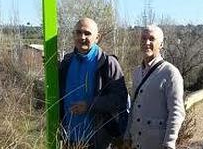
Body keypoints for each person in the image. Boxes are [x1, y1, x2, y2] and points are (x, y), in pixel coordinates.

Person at [59, 17, 129, 149]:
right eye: (78, 32)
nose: (82, 37)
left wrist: (89, 105)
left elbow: (120, 100)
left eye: (87, 33)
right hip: (69, 139)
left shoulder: (107, 63)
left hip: (97, 141)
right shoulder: (66, 62)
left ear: (97, 37)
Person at [125, 25, 185, 149]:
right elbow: (134, 107)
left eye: (152, 39)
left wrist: (169, 143)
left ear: (161, 44)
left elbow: (176, 112)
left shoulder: (170, 73)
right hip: (137, 143)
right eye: (143, 38)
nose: (147, 42)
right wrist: (127, 135)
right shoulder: (136, 72)